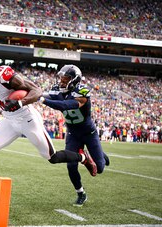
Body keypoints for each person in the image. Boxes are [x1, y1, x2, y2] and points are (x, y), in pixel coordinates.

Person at [0, 53, 97, 210]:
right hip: (9, 120)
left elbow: (36, 91)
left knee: (52, 157)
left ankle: (83, 157)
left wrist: (20, 102)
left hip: (27, 118)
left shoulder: (2, 76)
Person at [39, 64, 109, 207]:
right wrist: (34, 94)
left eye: (65, 80)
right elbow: (41, 93)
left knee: (100, 168)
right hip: (73, 134)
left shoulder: (82, 92)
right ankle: (81, 193)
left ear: (74, 81)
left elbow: (66, 105)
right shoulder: (57, 90)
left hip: (89, 133)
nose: (61, 82)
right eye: (61, 79)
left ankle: (99, 154)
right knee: (71, 166)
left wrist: (43, 101)